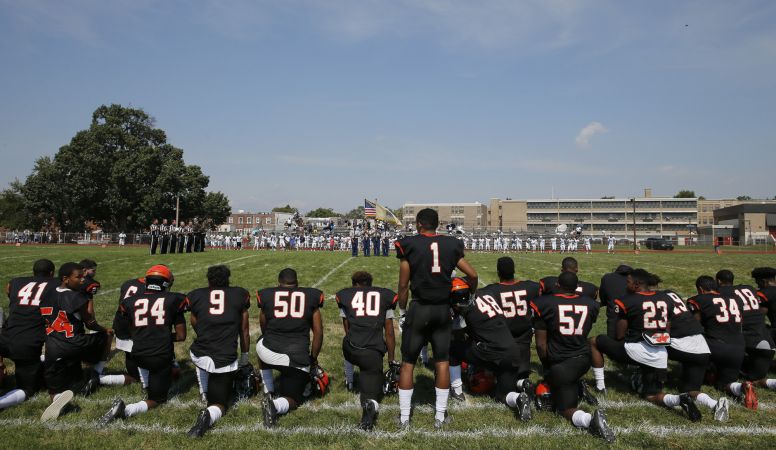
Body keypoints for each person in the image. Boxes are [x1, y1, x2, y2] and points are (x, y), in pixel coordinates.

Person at [394, 208, 478, 429]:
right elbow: (473, 275)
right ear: (437, 224)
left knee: (407, 363)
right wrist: (470, 297)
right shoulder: (451, 244)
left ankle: (404, 418)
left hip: (419, 309)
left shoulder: (409, 244)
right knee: (441, 362)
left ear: (420, 224)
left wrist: (402, 312)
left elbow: (403, 284)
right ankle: (440, 416)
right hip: (442, 310)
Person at [589, 269, 702, 421]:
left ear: (636, 285)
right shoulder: (666, 299)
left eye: (628, 282)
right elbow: (667, 327)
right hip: (660, 355)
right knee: (652, 395)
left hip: (635, 351)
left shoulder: (626, 300)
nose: (626, 285)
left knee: (594, 341)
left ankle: (600, 386)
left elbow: (620, 334)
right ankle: (678, 399)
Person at [99, 265, 188, 426]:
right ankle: (127, 410)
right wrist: (159, 336)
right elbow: (181, 336)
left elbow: (121, 330)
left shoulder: (128, 302)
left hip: (137, 353)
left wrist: (143, 335)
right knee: (158, 399)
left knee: (151, 372)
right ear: (166, 284)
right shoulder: (175, 299)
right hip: (160, 355)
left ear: (146, 282)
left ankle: (146, 385)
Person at [530, 272, 613, 442]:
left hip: (561, 363)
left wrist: (548, 368)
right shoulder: (591, 304)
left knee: (564, 408)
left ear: (557, 285)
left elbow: (540, 344)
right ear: (577, 287)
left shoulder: (544, 303)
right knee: (563, 382)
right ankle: (578, 385)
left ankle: (590, 419)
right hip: (584, 359)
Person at [41, 262, 113, 421]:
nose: (82, 280)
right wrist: (104, 329)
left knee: (55, 388)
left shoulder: (47, 295)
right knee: (107, 335)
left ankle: (56, 397)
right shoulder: (75, 297)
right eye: (78, 277)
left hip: (52, 347)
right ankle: (96, 373)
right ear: (66, 279)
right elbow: (90, 322)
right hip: (74, 343)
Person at [459, 257, 538, 402]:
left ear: (498, 272)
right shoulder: (531, 287)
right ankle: (522, 383)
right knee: (513, 378)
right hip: (523, 343)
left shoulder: (490, 291)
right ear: (514, 270)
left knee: (496, 380)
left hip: (500, 341)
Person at [453, 277, 533, 421]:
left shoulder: (467, 308)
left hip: (493, 352)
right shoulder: (487, 296)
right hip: (513, 352)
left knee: (451, 349)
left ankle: (456, 389)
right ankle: (520, 392)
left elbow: (459, 333)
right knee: (501, 395)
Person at [185, 265, 251, 437]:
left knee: (202, 358)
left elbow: (194, 321)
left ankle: (203, 390)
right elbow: (244, 330)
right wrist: (244, 356)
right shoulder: (239, 294)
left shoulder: (196, 295)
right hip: (225, 359)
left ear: (208, 280)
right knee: (221, 404)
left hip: (199, 353)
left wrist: (206, 333)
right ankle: (208, 414)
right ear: (228, 279)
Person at [256, 268, 324, 427]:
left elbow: (263, 323)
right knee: (293, 399)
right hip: (296, 358)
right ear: (297, 283)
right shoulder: (311, 296)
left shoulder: (267, 294)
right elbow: (318, 333)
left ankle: (268, 389)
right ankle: (275, 405)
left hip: (268, 351)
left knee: (262, 341)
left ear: (278, 284)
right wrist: (312, 360)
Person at [657, 275, 729, 421]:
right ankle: (715, 404)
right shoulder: (675, 300)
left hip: (683, 348)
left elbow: (663, 334)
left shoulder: (659, 301)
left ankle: (653, 378)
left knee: (652, 346)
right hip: (702, 348)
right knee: (691, 390)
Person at [336, 271, 397, 430]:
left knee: (347, 341)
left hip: (351, 348)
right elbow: (389, 332)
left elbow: (346, 328)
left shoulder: (346, 295)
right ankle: (369, 412)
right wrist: (391, 360)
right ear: (371, 283)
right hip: (372, 352)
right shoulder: (384, 296)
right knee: (371, 393)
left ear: (354, 284)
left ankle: (349, 380)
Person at [687, 276, 755, 408]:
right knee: (723, 384)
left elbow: (694, 326)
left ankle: (700, 375)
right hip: (738, 347)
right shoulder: (736, 300)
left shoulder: (698, 300)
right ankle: (742, 387)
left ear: (700, 289)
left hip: (715, 346)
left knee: (691, 350)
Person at [0, 259, 57, 412]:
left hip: (4, 336)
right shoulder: (55, 284)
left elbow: (8, 289)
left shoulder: (16, 281)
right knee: (27, 389)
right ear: (51, 273)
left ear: (33, 272)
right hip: (25, 343)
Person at [716, 270, 776, 402]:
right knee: (757, 378)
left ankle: (740, 386)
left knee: (724, 377)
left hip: (749, 342)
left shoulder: (724, 294)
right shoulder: (750, 289)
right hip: (768, 344)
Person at [99, 274, 150, 388]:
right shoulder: (149, 288)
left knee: (129, 352)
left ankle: (97, 374)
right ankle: (99, 379)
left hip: (120, 321)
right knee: (138, 366)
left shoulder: (128, 282)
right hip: (135, 323)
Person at [599, 265, 632, 339]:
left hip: (614, 317)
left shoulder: (607, 278)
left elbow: (603, 296)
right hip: (632, 317)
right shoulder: (633, 279)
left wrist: (604, 302)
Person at [752, 267, 776, 343]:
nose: (758, 286)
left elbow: (758, 315)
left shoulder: (765, 293)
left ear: (764, 281)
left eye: (758, 283)